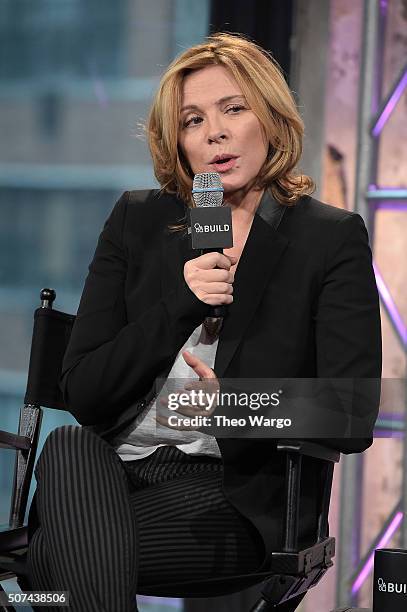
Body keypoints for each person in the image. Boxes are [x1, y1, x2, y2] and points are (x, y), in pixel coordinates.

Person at [26, 32, 382, 611]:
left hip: (234, 489)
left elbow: (352, 410)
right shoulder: (136, 220)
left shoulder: (327, 237)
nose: (213, 131)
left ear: (270, 118)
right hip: (110, 478)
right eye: (192, 120)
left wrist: (234, 403)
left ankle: (60, 555)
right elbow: (84, 393)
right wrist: (181, 307)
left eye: (233, 109)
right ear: (180, 143)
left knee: (53, 560)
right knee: (69, 442)